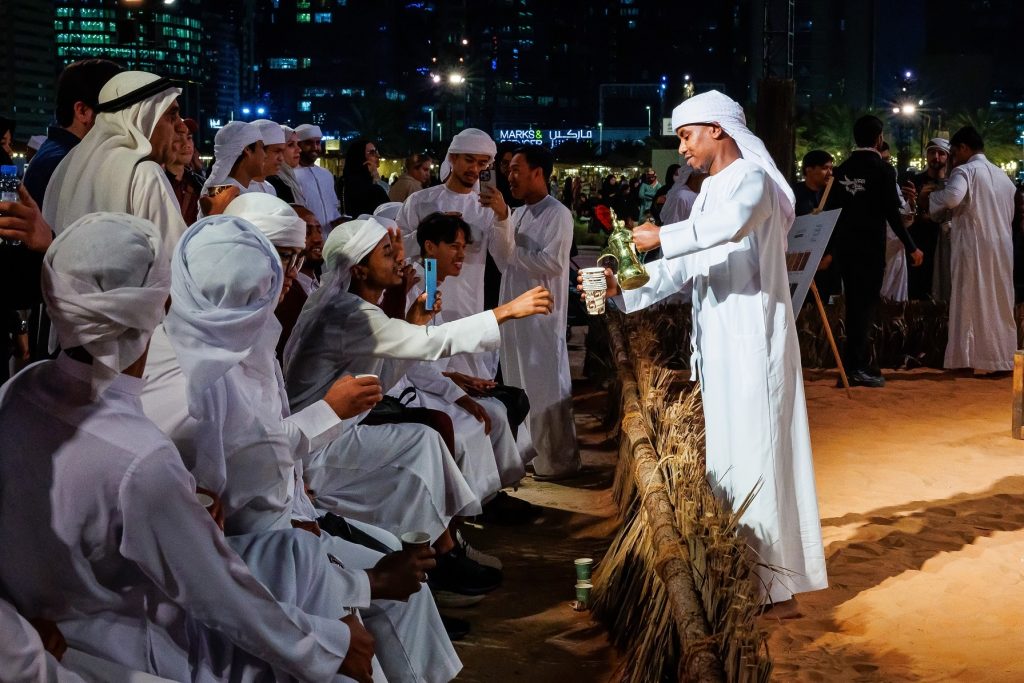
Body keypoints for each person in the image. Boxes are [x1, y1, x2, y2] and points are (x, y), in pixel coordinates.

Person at [0, 211, 371, 681]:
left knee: (298, 556)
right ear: (162, 302)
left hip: (40, 624)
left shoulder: (19, 390)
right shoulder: (140, 457)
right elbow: (216, 592)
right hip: (127, 642)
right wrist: (327, 644)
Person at [144, 204, 459, 682]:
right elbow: (249, 479)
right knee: (357, 628)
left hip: (284, 527)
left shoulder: (251, 343)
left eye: (292, 260)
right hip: (258, 553)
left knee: (397, 569)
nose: (287, 275)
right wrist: (359, 583)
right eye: (279, 263)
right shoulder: (198, 381)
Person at [620, 90, 827, 606]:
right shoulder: (710, 190)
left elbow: (722, 229)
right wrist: (624, 286)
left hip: (754, 338)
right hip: (719, 340)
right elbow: (688, 262)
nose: (682, 148)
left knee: (758, 453)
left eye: (687, 136)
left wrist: (659, 236)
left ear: (718, 129)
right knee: (730, 459)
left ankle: (775, 586)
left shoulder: (752, 182)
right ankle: (741, 573)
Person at [283, 215, 553, 592]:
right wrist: (505, 311)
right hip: (314, 447)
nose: (399, 260)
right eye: (387, 253)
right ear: (359, 269)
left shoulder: (353, 310)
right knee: (423, 443)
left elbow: (383, 378)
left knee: (424, 442)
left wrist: (412, 324)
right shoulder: (347, 314)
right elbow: (434, 343)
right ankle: (440, 556)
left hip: (334, 433)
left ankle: (439, 551)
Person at [491, 145, 581, 480]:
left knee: (545, 386)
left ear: (537, 173)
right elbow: (503, 260)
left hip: (542, 319)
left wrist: (513, 252)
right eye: (508, 169)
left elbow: (553, 264)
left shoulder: (557, 214)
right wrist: (501, 223)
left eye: (516, 169)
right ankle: (531, 455)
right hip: (516, 316)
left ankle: (557, 461)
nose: (509, 176)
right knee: (519, 384)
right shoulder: (521, 213)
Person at [396, 128, 508, 380]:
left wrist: (502, 217)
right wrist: (431, 232)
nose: (475, 169)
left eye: (482, 163)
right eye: (469, 160)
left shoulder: (488, 208)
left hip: (468, 304)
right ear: (453, 158)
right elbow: (398, 252)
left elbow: (504, 259)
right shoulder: (420, 201)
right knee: (430, 377)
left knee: (469, 382)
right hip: (426, 301)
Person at [42, 70, 188, 253]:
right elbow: (175, 261)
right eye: (171, 116)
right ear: (141, 118)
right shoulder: (145, 174)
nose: (181, 127)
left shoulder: (67, 166)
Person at [825, 115, 923, 387]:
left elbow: (832, 214)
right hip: (870, 249)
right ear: (879, 138)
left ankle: (852, 365)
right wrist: (912, 246)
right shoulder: (882, 170)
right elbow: (892, 214)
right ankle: (855, 368)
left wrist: (830, 249)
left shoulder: (841, 170)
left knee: (854, 306)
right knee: (864, 308)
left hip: (846, 250)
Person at [924, 125, 1016, 374]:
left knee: (967, 299)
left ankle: (964, 360)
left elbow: (953, 198)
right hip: (1002, 247)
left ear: (964, 148)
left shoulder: (965, 170)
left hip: (973, 246)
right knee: (998, 300)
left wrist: (932, 199)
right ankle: (1001, 360)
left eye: (953, 153)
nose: (952, 159)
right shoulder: (1002, 176)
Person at [23, 59, 123, 207]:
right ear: (82, 111)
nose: (125, 119)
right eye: (117, 109)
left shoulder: (59, 154)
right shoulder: (67, 164)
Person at [901, 137, 951, 300]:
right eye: (932, 152)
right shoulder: (914, 182)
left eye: (941, 153)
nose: (936, 157)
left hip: (944, 244)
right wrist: (918, 202)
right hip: (920, 244)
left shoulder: (953, 184)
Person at [294, 123, 342, 231]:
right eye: (309, 143)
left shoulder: (326, 174)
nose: (315, 147)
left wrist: (338, 220)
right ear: (298, 145)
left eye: (318, 142)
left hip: (330, 238)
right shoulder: (291, 176)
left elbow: (333, 208)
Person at [200, 120, 264, 199]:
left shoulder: (251, 189)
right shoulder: (224, 195)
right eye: (262, 147)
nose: (265, 155)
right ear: (248, 150)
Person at [164, 117, 203, 225]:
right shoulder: (156, 182)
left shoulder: (198, 183)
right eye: (177, 138)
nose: (186, 144)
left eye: (189, 137)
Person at [341, 138, 389, 217]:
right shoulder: (375, 190)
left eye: (376, 152)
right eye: (372, 153)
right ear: (360, 156)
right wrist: (376, 177)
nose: (378, 156)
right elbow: (389, 208)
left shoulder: (343, 182)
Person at [267, 125, 305, 205]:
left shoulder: (288, 178)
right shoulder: (272, 181)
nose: (299, 149)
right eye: (291, 145)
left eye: (297, 144)